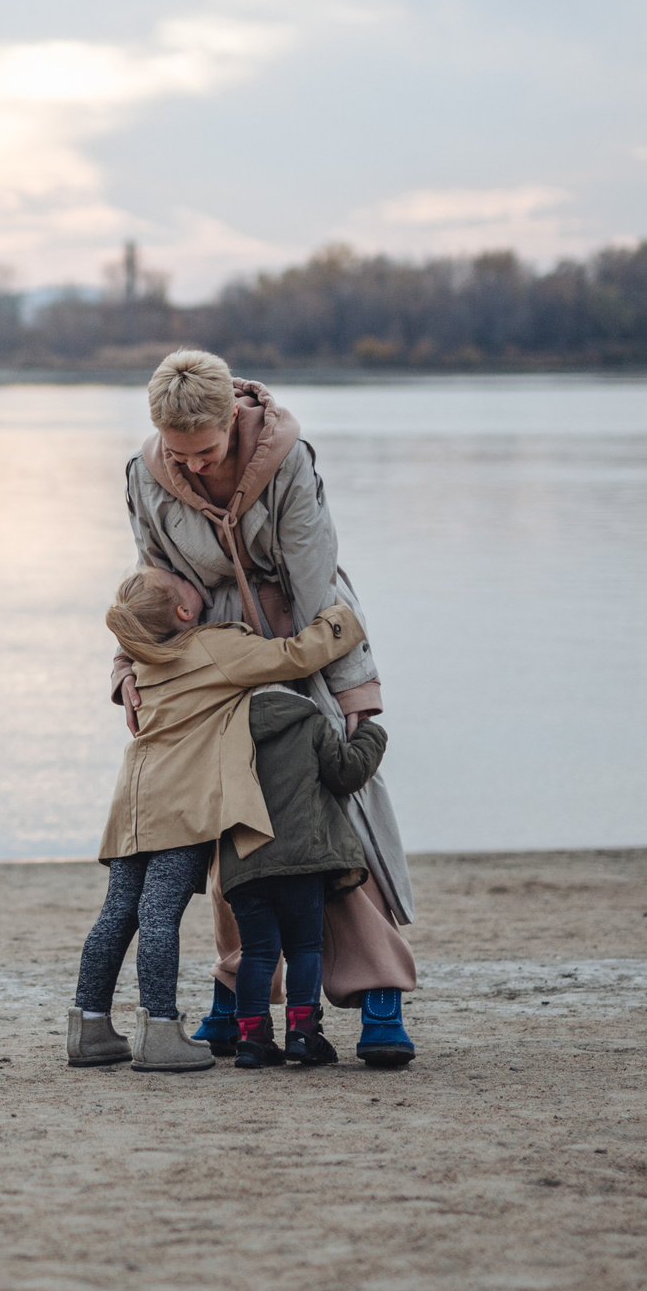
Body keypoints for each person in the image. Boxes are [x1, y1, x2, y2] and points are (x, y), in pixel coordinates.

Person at [114, 348, 419, 1067]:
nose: (190, 466)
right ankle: (237, 1002)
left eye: (205, 450)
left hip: (304, 641)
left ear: (232, 421)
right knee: (232, 829)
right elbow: (149, 580)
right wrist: (131, 663)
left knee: (340, 816)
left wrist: (355, 694)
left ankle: (381, 994)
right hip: (206, 662)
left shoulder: (288, 461)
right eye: (176, 452)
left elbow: (319, 582)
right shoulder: (144, 474)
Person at [71, 568, 363, 1072]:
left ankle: (89, 1028)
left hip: (132, 800)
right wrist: (341, 620)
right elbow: (293, 655)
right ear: (185, 612)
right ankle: (159, 1032)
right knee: (160, 913)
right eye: (181, 580)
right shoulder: (212, 649)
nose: (192, 578)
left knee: (119, 912)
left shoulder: (142, 657)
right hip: (179, 806)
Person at [219, 683, 390, 1067]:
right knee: (304, 949)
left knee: (258, 953)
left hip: (244, 863)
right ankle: (303, 1032)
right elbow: (346, 773)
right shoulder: (310, 722)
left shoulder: (227, 726)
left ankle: (250, 1037)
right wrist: (370, 732)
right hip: (301, 860)